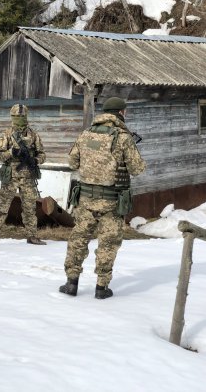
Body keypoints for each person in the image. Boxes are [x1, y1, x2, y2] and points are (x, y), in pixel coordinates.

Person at [59, 97, 145, 299]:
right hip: (111, 201)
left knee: (78, 240)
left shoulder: (86, 134)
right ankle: (101, 288)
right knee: (108, 243)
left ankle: (71, 283)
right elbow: (138, 168)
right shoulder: (123, 137)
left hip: (86, 199)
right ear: (121, 113)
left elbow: (72, 162)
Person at [0, 104, 46, 246]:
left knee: (29, 207)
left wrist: (35, 160)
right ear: (12, 117)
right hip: (10, 177)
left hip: (28, 177)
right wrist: (11, 153)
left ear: (26, 117)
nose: (19, 119)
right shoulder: (7, 134)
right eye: (16, 117)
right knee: (2, 206)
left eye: (22, 116)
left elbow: (42, 155)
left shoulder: (33, 135)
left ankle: (32, 236)